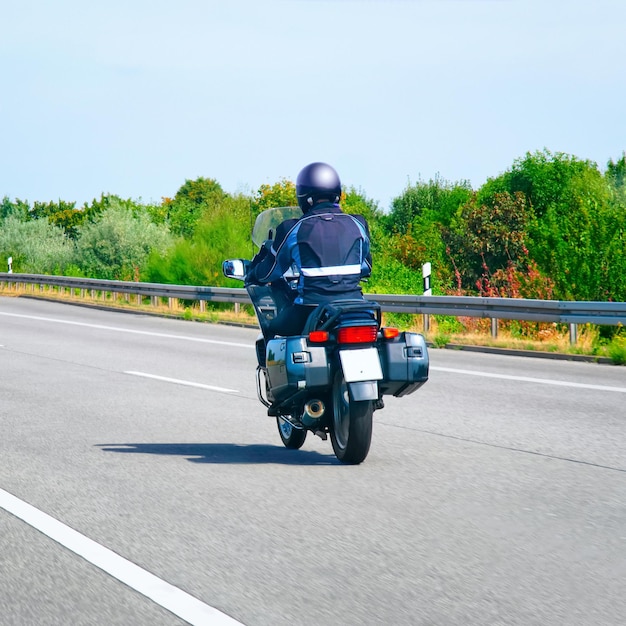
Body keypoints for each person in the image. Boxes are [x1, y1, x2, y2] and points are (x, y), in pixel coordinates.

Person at [245, 162, 373, 339]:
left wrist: (253, 273)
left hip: (310, 309)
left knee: (273, 327)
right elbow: (366, 267)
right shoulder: (358, 224)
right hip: (357, 308)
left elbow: (270, 272)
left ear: (303, 196)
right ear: (337, 193)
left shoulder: (293, 228)